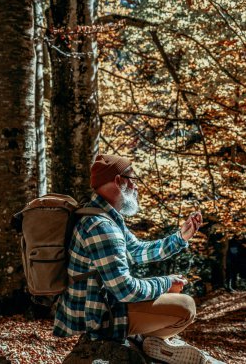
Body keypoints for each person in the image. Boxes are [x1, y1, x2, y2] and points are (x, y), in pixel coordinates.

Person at [54, 154, 205, 363]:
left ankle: (149, 342)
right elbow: (126, 290)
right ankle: (148, 342)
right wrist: (166, 282)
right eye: (133, 179)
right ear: (118, 181)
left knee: (174, 302)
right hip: (99, 318)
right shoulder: (101, 226)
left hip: (102, 306)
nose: (136, 186)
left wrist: (180, 238)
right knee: (186, 306)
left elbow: (137, 250)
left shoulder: (103, 216)